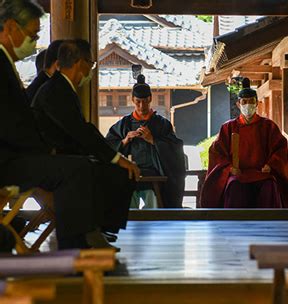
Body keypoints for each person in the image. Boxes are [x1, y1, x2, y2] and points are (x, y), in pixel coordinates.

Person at [0, 0, 137, 250]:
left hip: (16, 154)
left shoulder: (10, 65)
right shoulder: (50, 88)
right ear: (10, 27)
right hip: (8, 161)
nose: (33, 40)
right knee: (77, 169)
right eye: (32, 34)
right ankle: (76, 243)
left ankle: (89, 233)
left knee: (86, 166)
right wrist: (44, 151)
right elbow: (11, 124)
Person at [31, 39, 141, 246]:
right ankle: (94, 231)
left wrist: (112, 156)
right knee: (118, 172)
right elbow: (81, 132)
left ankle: (98, 229)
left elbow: (83, 130)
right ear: (80, 62)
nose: (91, 69)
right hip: (51, 163)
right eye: (91, 63)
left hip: (63, 157)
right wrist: (117, 158)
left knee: (115, 170)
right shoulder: (56, 90)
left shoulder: (61, 87)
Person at [200, 78, 288, 208]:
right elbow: (216, 152)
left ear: (257, 103)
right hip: (238, 174)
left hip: (262, 173)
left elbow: (280, 149)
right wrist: (229, 168)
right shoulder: (228, 127)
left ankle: (269, 226)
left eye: (251, 102)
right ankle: (233, 225)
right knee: (233, 185)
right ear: (238, 104)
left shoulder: (268, 126)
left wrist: (271, 165)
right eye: (244, 102)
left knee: (270, 185)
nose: (248, 105)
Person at [106, 75, 186, 208]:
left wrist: (154, 140)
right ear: (132, 100)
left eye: (145, 101)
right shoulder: (123, 125)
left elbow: (175, 149)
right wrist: (125, 141)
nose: (141, 105)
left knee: (153, 210)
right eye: (138, 102)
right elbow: (107, 146)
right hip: (129, 174)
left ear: (150, 99)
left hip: (154, 175)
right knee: (126, 207)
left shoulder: (161, 124)